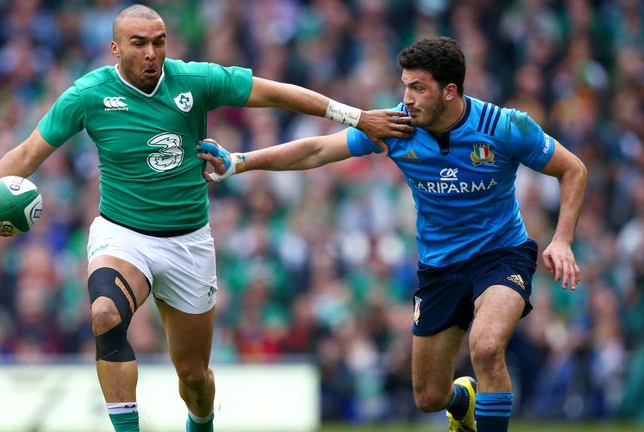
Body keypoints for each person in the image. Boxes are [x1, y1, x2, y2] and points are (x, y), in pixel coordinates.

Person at [0, 5, 413, 432]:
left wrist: (356, 117)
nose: (151, 53)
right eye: (138, 43)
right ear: (115, 48)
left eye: (159, 42)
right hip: (123, 235)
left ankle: (202, 423)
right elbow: (27, 153)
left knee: (194, 379)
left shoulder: (196, 80)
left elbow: (275, 93)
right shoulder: (87, 95)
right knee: (104, 314)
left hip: (188, 243)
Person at [198, 36, 587, 432]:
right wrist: (241, 162)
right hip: (440, 267)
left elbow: (573, 169)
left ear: (449, 91)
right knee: (429, 397)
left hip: (501, 254)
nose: (407, 97)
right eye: (405, 85)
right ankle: (462, 399)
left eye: (418, 87)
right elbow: (316, 150)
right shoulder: (396, 127)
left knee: (486, 347)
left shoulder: (505, 127)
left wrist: (562, 239)